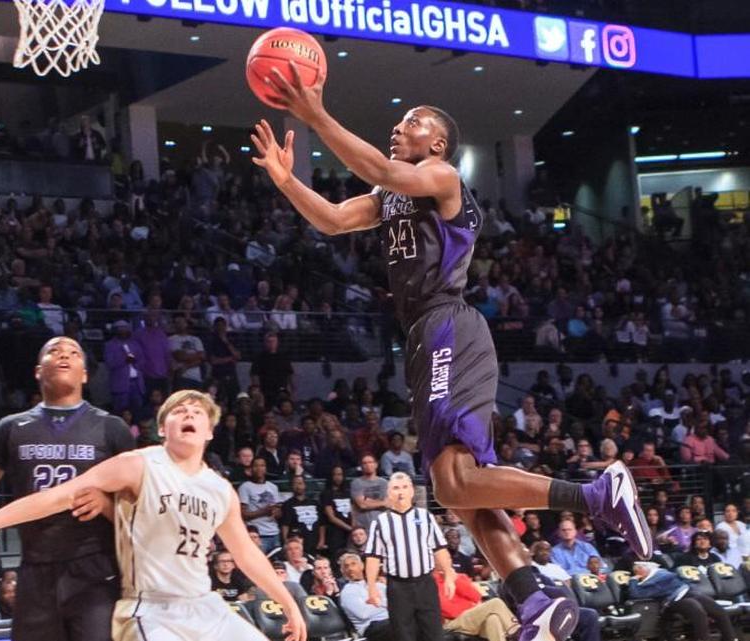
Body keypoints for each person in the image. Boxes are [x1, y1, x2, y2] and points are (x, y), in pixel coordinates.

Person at [252, 85, 651, 641]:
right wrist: (286, 180)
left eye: (409, 122)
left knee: (458, 480)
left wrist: (316, 115)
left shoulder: (442, 178)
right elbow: (336, 220)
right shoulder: (391, 194)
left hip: (448, 326)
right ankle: (535, 601)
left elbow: (386, 173)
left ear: (435, 143)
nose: (397, 128)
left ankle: (595, 496)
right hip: (424, 336)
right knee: (459, 491)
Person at [0, 390, 308, 641]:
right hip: (150, 608)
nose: (188, 413)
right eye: (179, 411)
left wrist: (288, 603)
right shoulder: (139, 464)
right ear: (163, 428)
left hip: (204, 604)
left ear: (209, 432)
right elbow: (61, 494)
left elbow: (246, 554)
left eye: (197, 412)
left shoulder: (219, 489)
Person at [0, 337, 135, 641]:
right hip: (35, 570)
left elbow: (140, 512)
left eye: (74, 353)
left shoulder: (112, 428)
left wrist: (105, 505)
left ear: (85, 374)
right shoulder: (11, 428)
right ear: (38, 370)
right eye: (54, 351)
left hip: (97, 571)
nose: (64, 354)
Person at [364, 473, 455, 641]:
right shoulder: (381, 522)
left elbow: (440, 548)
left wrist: (449, 574)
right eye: (396, 488)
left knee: (434, 634)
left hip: (425, 583)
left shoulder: (425, 516)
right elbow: (373, 557)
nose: (401, 492)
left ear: (412, 491)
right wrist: (371, 587)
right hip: (398, 587)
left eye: (405, 487)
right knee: (404, 635)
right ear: (389, 493)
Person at [628, 562, 736, 641]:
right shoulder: (643, 585)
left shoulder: (663, 572)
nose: (638, 569)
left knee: (718, 610)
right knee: (698, 611)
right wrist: (633, 580)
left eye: (640, 567)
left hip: (688, 591)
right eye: (636, 569)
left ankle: (730, 638)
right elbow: (635, 594)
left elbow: (681, 578)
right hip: (674, 600)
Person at [435, 570, 518, 641]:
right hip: (452, 622)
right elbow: (449, 611)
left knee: (493, 619)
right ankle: (519, 633)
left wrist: (455, 578)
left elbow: (476, 596)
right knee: (495, 603)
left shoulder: (456, 577)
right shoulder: (432, 582)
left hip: (471, 617)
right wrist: (473, 608)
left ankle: (517, 633)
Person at [337, 553, 389, 641]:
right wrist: (384, 604)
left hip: (390, 620)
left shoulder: (379, 585)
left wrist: (376, 602)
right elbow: (363, 613)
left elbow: (396, 603)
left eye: (353, 564)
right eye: (346, 566)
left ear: (362, 566)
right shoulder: (347, 591)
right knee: (399, 627)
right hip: (372, 627)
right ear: (343, 571)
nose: (350, 568)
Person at [237, 458, 282, 553]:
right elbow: (243, 514)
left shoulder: (273, 487)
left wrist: (277, 512)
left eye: (262, 465)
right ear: (251, 469)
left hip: (274, 533)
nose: (259, 468)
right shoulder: (245, 487)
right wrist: (264, 511)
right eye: (256, 465)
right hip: (258, 534)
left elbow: (278, 511)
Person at [350, 453, 388, 534]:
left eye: (370, 462)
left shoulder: (384, 483)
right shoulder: (356, 483)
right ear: (361, 466)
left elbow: (388, 504)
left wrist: (367, 500)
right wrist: (381, 503)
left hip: (381, 524)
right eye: (365, 463)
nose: (368, 465)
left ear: (376, 465)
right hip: (362, 527)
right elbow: (362, 505)